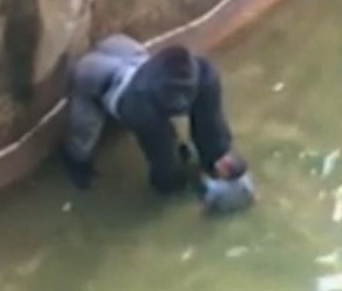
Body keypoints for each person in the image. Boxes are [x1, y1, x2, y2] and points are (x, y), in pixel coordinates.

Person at [63, 33, 243, 196]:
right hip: (96, 81)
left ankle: (205, 161)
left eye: (185, 93)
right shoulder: (140, 104)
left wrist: (218, 155)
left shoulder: (204, 74)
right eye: (178, 96)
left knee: (181, 132)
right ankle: (76, 165)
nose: (182, 102)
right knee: (84, 135)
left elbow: (211, 120)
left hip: (129, 58)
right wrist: (173, 180)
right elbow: (161, 155)